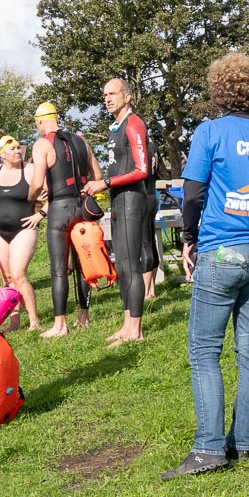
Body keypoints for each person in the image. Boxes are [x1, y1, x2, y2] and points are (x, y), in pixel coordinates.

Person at [162, 54, 249, 480]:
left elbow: (193, 193)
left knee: (204, 351)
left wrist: (189, 238)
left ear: (219, 93)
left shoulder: (210, 132)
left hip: (222, 252)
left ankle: (208, 449)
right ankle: (242, 442)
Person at [83, 78, 158, 348]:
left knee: (131, 265)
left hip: (132, 200)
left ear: (127, 97)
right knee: (123, 266)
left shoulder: (134, 123)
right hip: (118, 200)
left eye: (113, 93)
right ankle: (126, 325)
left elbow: (142, 170)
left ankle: (135, 329)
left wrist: (105, 182)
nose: (107, 98)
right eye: (105, 94)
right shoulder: (114, 127)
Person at [27, 102, 102, 339]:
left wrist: (32, 198)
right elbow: (97, 175)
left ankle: (60, 324)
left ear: (40, 121)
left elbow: (37, 182)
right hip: (82, 206)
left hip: (60, 209)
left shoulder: (42, 144)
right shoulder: (80, 141)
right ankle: (84, 315)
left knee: (59, 269)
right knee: (83, 264)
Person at [0, 137, 42, 332]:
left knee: (18, 274)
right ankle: (14, 322)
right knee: (7, 278)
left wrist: (40, 215)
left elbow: (53, 194)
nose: (18, 151)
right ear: (2, 154)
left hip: (24, 229)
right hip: (0, 231)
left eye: (18, 148)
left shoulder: (30, 170)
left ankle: (34, 321)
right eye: (12, 149)